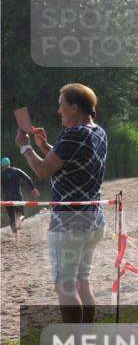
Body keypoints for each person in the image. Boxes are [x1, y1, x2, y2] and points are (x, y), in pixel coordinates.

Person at [16, 83, 107, 323]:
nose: (58, 111)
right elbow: (70, 160)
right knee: (82, 281)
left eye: (61, 106)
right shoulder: (97, 131)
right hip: (93, 217)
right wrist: (44, 146)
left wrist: (25, 147)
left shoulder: (73, 134)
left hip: (68, 221)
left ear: (75, 108)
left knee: (65, 285)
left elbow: (43, 170)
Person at [1, 156, 39, 239]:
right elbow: (27, 178)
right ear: (9, 163)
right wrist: (33, 189)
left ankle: (16, 238)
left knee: (11, 219)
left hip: (7, 199)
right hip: (17, 197)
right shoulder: (16, 171)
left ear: (2, 166)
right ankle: (20, 219)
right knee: (21, 214)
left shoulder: (1, 174)